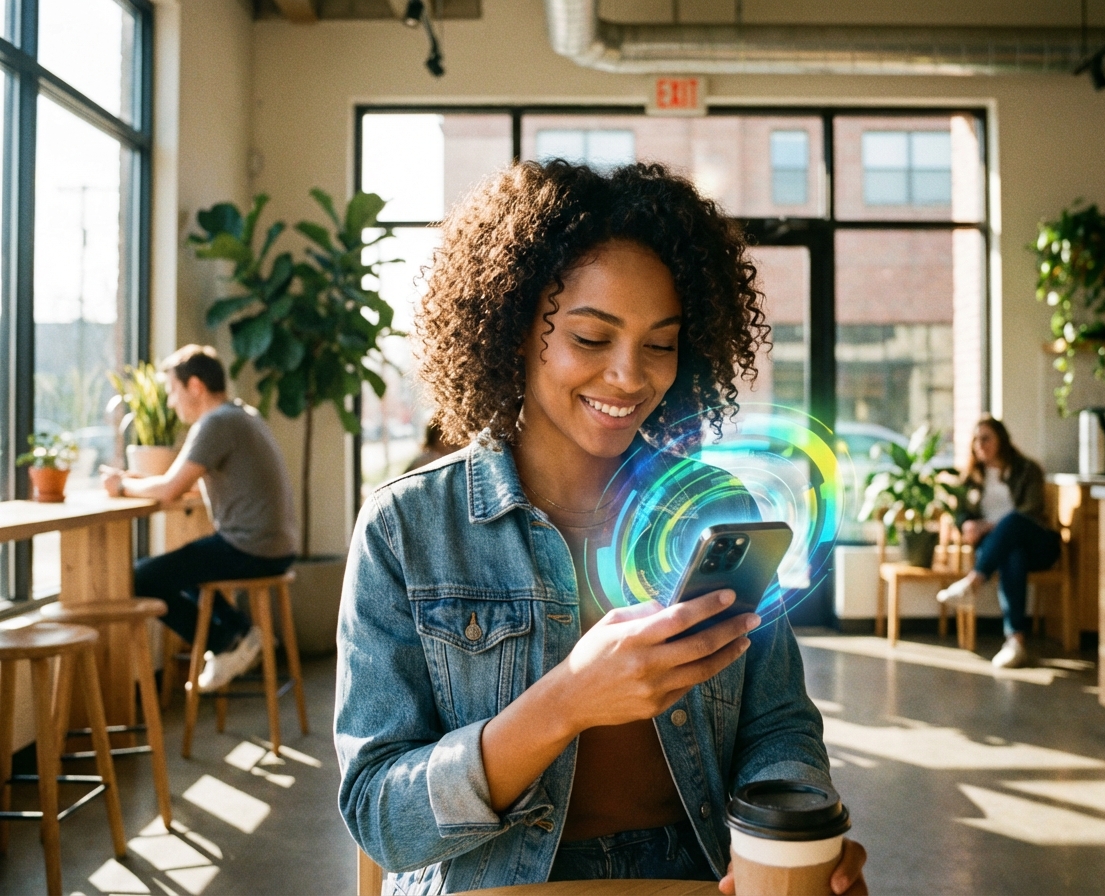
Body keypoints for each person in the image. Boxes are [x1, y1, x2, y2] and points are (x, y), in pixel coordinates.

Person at [335, 161, 867, 895]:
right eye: (591, 337)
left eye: (660, 344)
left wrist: (792, 833)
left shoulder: (714, 508)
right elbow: (383, 819)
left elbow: (777, 724)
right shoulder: (408, 526)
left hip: (695, 876)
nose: (629, 376)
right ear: (513, 329)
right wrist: (567, 702)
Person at [102, 344, 298, 692]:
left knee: (140, 577)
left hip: (251, 548)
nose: (171, 402)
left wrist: (120, 486)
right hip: (276, 545)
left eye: (173, 391)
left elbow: (170, 489)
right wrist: (138, 482)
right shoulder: (242, 415)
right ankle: (239, 634)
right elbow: (187, 482)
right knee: (184, 566)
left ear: (195, 386)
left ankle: (227, 642)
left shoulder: (216, 422)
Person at [937, 416, 1060, 668]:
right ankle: (1016, 642)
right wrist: (966, 525)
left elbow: (1031, 510)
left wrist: (987, 525)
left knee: (1012, 522)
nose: (979, 445)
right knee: (1012, 555)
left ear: (1001, 440)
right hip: (999, 548)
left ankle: (973, 582)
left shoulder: (1027, 470)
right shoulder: (971, 478)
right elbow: (960, 514)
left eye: (986, 438)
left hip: (1037, 543)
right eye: (975, 440)